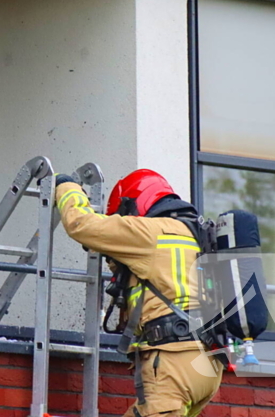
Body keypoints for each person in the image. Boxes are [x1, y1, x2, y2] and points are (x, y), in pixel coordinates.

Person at [54, 169, 224, 417]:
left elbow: (81, 223)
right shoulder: (196, 236)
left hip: (173, 362)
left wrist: (66, 187)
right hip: (207, 364)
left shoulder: (149, 232)